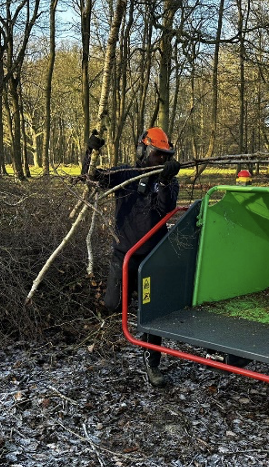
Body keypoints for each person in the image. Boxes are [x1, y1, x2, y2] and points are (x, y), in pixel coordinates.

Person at [84, 127, 181, 387]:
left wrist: (163, 182)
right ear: (143, 151)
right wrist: (90, 151)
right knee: (113, 305)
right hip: (123, 254)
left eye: (165, 155)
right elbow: (90, 178)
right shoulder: (125, 174)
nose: (161, 159)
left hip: (152, 259)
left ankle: (152, 365)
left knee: (151, 314)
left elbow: (164, 211)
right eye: (157, 154)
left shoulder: (169, 181)